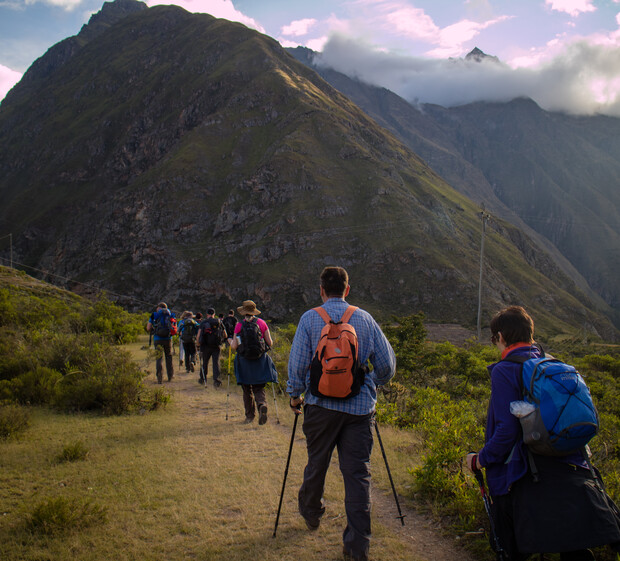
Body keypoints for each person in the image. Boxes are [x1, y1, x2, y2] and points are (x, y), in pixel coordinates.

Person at [465, 305, 620, 560]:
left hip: (524, 474)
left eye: (495, 339)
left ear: (501, 337)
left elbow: (506, 430)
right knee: (574, 548)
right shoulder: (551, 364)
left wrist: (480, 459)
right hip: (571, 467)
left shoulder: (505, 370)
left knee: (512, 548)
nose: (495, 344)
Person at [287, 266, 396, 561]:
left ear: (321, 290)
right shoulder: (364, 318)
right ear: (348, 289)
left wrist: (295, 395)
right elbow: (387, 366)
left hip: (319, 408)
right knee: (357, 474)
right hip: (359, 411)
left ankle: (311, 512)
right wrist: (370, 382)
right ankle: (357, 546)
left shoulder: (310, 319)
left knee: (316, 463)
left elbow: (297, 363)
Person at [230, 300, 276, 425]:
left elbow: (234, 346)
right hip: (260, 359)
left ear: (244, 312)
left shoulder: (239, 325)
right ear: (254, 311)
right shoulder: (261, 323)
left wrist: (230, 341)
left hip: (244, 360)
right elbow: (270, 343)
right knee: (259, 386)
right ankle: (262, 405)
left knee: (246, 389)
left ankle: (250, 416)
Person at [146, 302, 175, 384]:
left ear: (159, 307)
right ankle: (170, 376)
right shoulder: (170, 314)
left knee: (159, 357)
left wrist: (153, 330)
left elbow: (148, 328)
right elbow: (174, 327)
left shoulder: (154, 315)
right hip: (168, 338)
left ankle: (159, 377)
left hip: (157, 338)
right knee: (168, 356)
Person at [197, 308, 225, 387]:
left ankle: (203, 379)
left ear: (207, 314)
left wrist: (198, 345)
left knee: (205, 362)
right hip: (216, 346)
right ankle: (216, 380)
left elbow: (198, 335)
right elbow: (225, 334)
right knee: (215, 362)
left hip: (205, 346)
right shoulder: (219, 322)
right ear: (214, 314)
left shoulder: (203, 322)